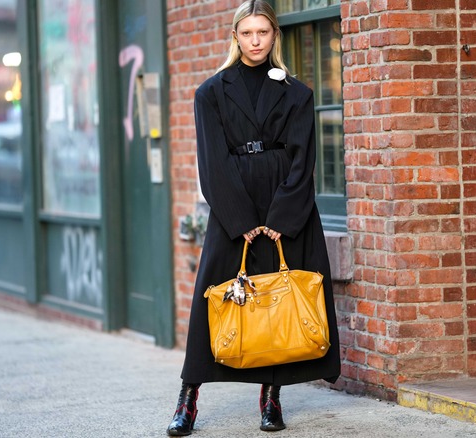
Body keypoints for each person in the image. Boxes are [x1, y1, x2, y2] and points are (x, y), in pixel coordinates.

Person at [166, 0, 341, 435]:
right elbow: (212, 161)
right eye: (247, 33)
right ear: (235, 36)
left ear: (274, 35)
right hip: (234, 205)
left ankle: (271, 397)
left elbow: (304, 159)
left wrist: (282, 215)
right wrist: (239, 217)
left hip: (286, 205)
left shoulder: (298, 93)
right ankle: (189, 397)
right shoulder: (210, 92)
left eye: (263, 31)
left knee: (278, 305)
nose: (256, 40)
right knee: (214, 295)